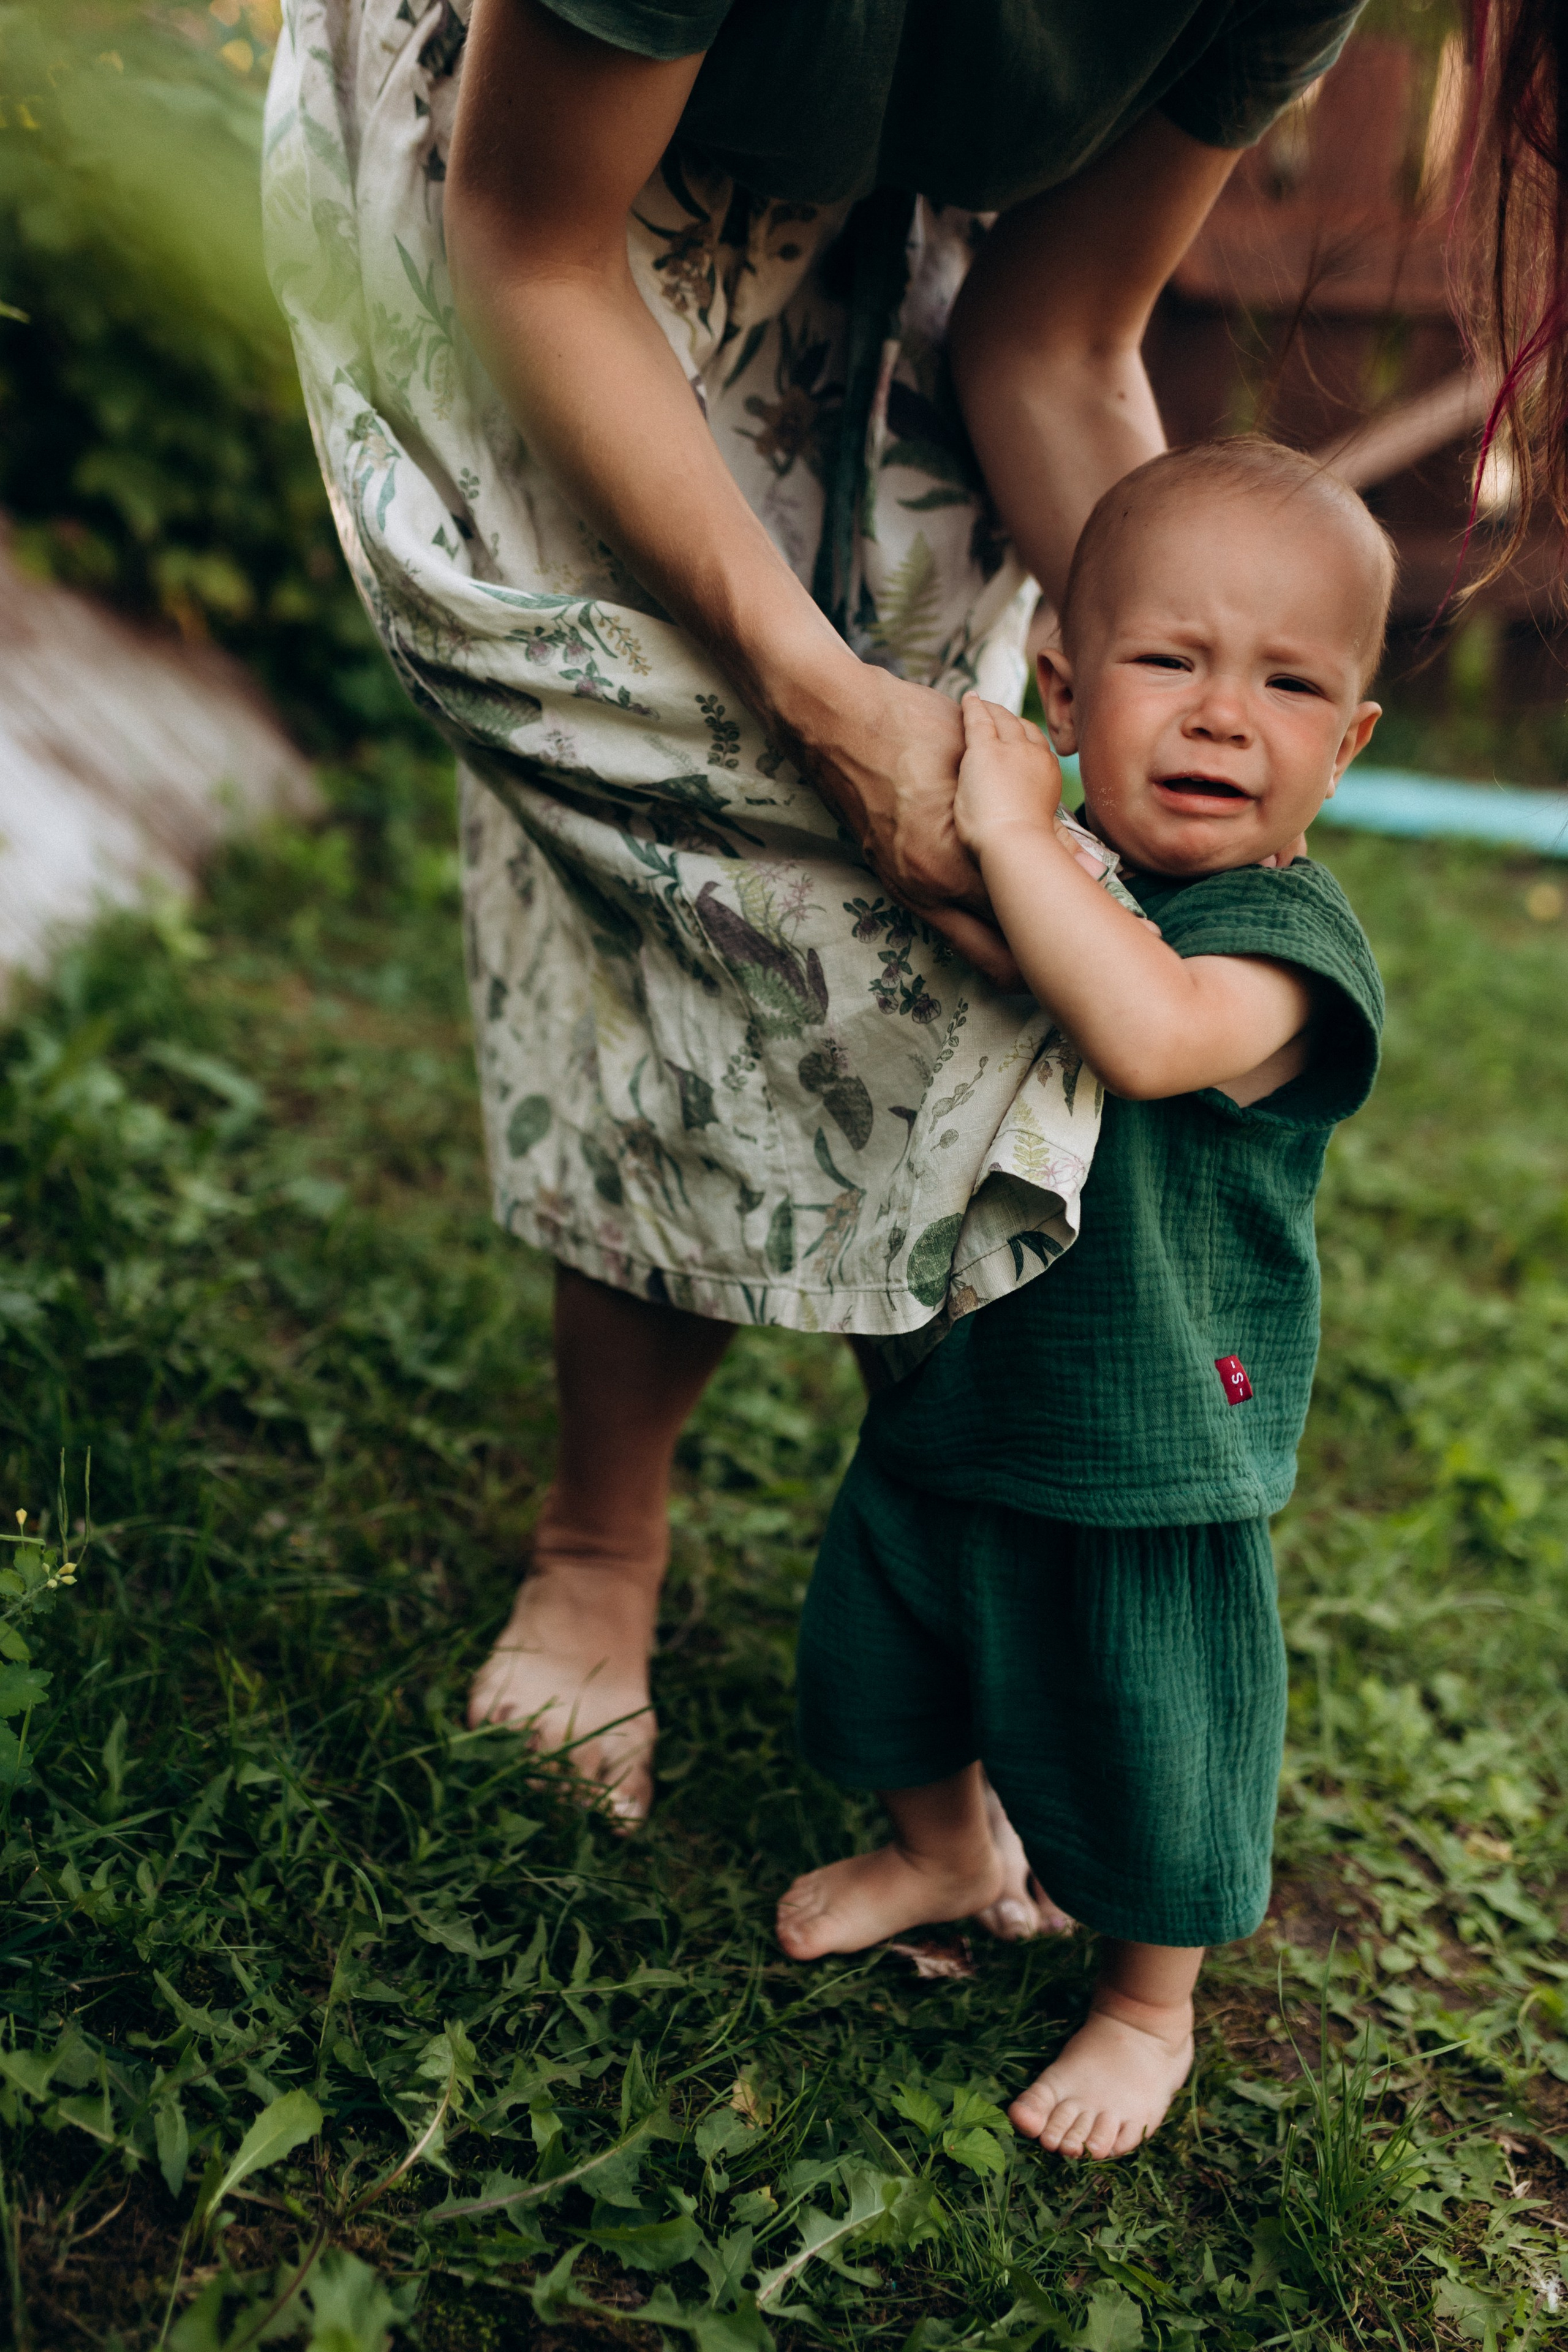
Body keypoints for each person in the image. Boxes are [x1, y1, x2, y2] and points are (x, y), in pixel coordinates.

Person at [263, 0, 1371, 1854]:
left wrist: (1168, 695)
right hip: (535, 205)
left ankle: (954, 1583)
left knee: (973, 900)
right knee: (710, 868)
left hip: (893, 256)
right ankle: (598, 1540)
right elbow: (531, 236)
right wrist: (817, 698)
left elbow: (1059, 333)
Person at [776, 438, 1391, 2162]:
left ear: (1344, 749)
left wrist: (1007, 810)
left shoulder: (1284, 948)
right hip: (952, 1388)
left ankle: (1147, 2002)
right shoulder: (1054, 875)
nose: (1220, 716)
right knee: (884, 1640)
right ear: (1060, 674)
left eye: (1287, 684)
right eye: (1168, 661)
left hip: (1153, 1439)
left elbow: (1143, 1026)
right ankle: (941, 1846)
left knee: (1153, 1732)